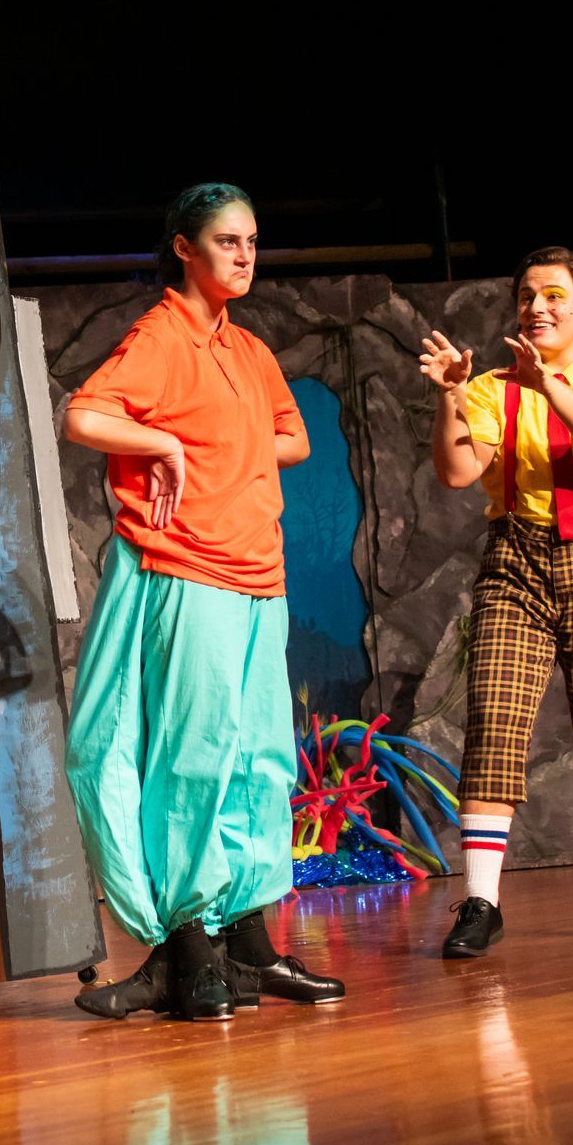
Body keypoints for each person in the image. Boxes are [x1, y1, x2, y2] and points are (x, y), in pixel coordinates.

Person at [61, 182, 344, 1022]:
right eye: (228, 241)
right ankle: (189, 945)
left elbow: (291, 435)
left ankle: (251, 947)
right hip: (188, 570)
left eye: (253, 240)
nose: (246, 255)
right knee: (194, 761)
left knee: (259, 760)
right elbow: (85, 415)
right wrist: (161, 442)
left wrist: (235, 448)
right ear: (184, 248)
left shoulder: (249, 350)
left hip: (260, 577)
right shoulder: (161, 335)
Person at [419, 246, 573, 959]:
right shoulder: (494, 387)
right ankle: (481, 902)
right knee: (492, 720)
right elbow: (459, 470)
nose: (538, 307)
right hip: (518, 558)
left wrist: (551, 386)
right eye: (528, 295)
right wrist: (451, 397)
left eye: (555, 295)